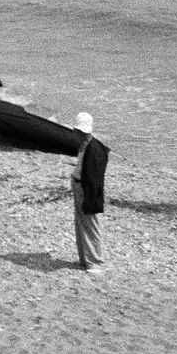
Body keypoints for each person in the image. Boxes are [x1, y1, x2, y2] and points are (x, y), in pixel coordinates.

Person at [69, 112, 109, 272]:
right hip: (82, 187)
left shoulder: (93, 149)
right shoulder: (92, 146)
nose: (75, 133)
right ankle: (86, 260)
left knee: (90, 226)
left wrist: (89, 200)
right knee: (82, 224)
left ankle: (95, 262)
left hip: (86, 190)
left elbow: (93, 179)